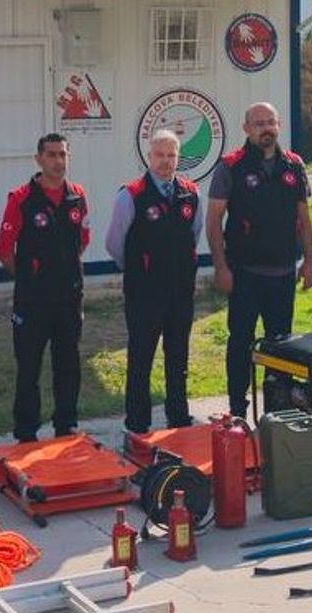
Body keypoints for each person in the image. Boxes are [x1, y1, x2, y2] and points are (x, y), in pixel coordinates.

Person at [206, 102, 312, 419]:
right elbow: (213, 221)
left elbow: (304, 219)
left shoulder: (294, 165)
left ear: (278, 125)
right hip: (244, 272)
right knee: (241, 341)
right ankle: (237, 409)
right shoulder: (230, 166)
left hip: (283, 272)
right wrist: (221, 267)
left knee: (281, 346)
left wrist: (309, 262)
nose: (266, 128)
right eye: (259, 123)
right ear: (246, 128)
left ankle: (277, 409)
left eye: (270, 122)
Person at [0, 132, 90, 442]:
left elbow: (82, 241)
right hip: (32, 302)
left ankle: (66, 424)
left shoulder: (78, 196)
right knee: (29, 369)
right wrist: (29, 277)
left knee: (68, 365)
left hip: (69, 299)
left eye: (63, 154)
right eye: (51, 155)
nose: (58, 161)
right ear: (38, 159)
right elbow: (4, 250)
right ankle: (26, 431)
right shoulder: (21, 199)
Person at [105, 130, 202, 434]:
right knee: (141, 359)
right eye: (159, 155)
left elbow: (194, 235)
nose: (165, 161)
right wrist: (139, 270)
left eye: (171, 155)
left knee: (178, 358)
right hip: (144, 295)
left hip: (180, 293)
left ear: (178, 158)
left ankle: (179, 417)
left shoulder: (191, 194)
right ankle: (137, 424)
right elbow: (114, 244)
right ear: (148, 157)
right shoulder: (131, 195)